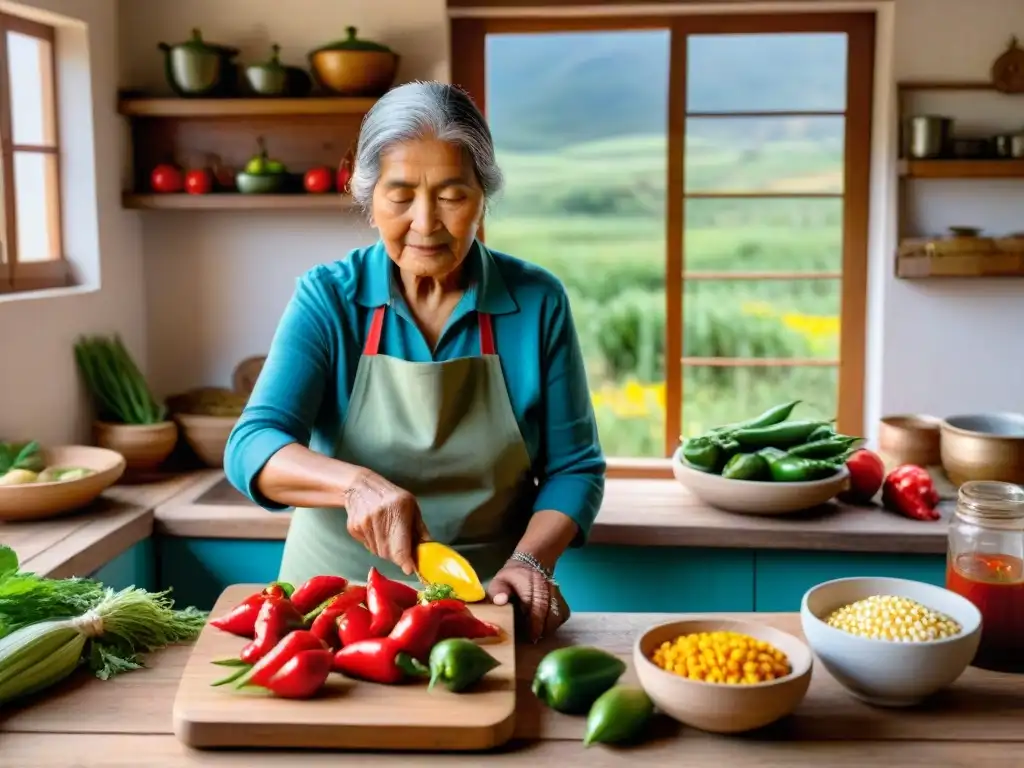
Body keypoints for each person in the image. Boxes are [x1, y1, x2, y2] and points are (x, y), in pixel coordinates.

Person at [223, 81, 605, 641]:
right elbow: (252, 444)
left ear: (483, 196)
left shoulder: (537, 301)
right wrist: (353, 486)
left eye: (452, 196)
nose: (425, 223)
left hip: (480, 603)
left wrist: (531, 562)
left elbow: (576, 469)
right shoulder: (329, 297)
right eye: (400, 195)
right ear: (366, 193)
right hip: (330, 606)